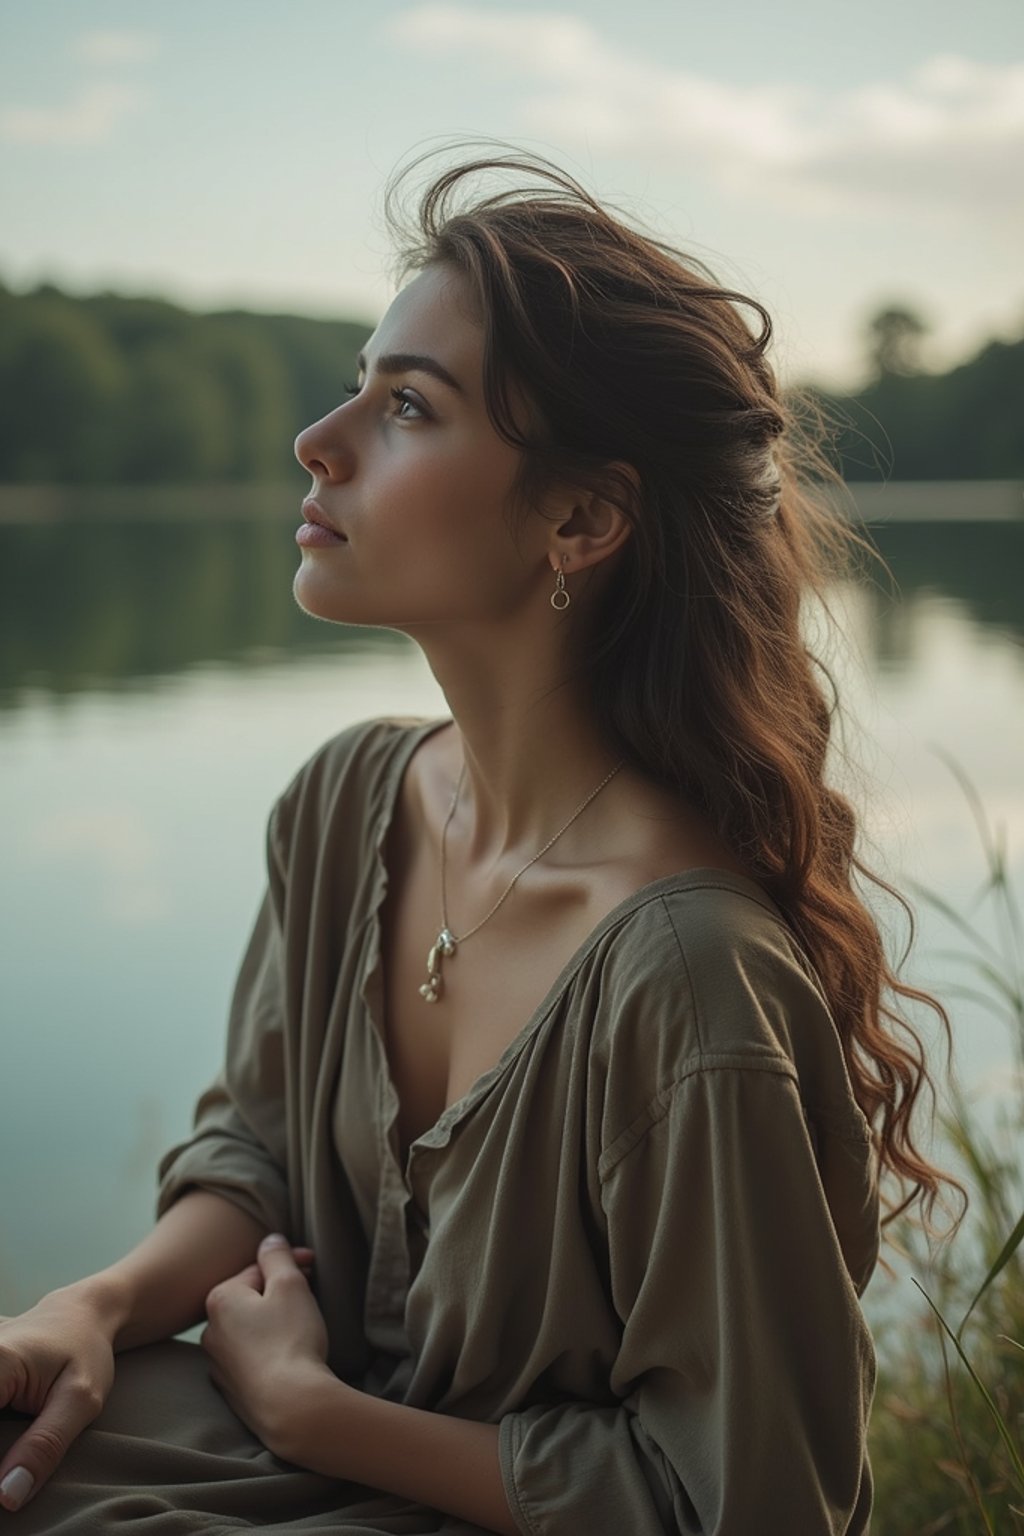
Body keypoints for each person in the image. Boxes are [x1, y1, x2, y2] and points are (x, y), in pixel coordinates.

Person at [0, 147, 954, 1535]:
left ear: (579, 518)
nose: (318, 440)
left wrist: (317, 1412)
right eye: (358, 383)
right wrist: (80, 1310)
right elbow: (255, 1160)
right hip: (275, 1445)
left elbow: (749, 1502)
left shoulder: (687, 982)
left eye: (407, 406)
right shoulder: (345, 808)